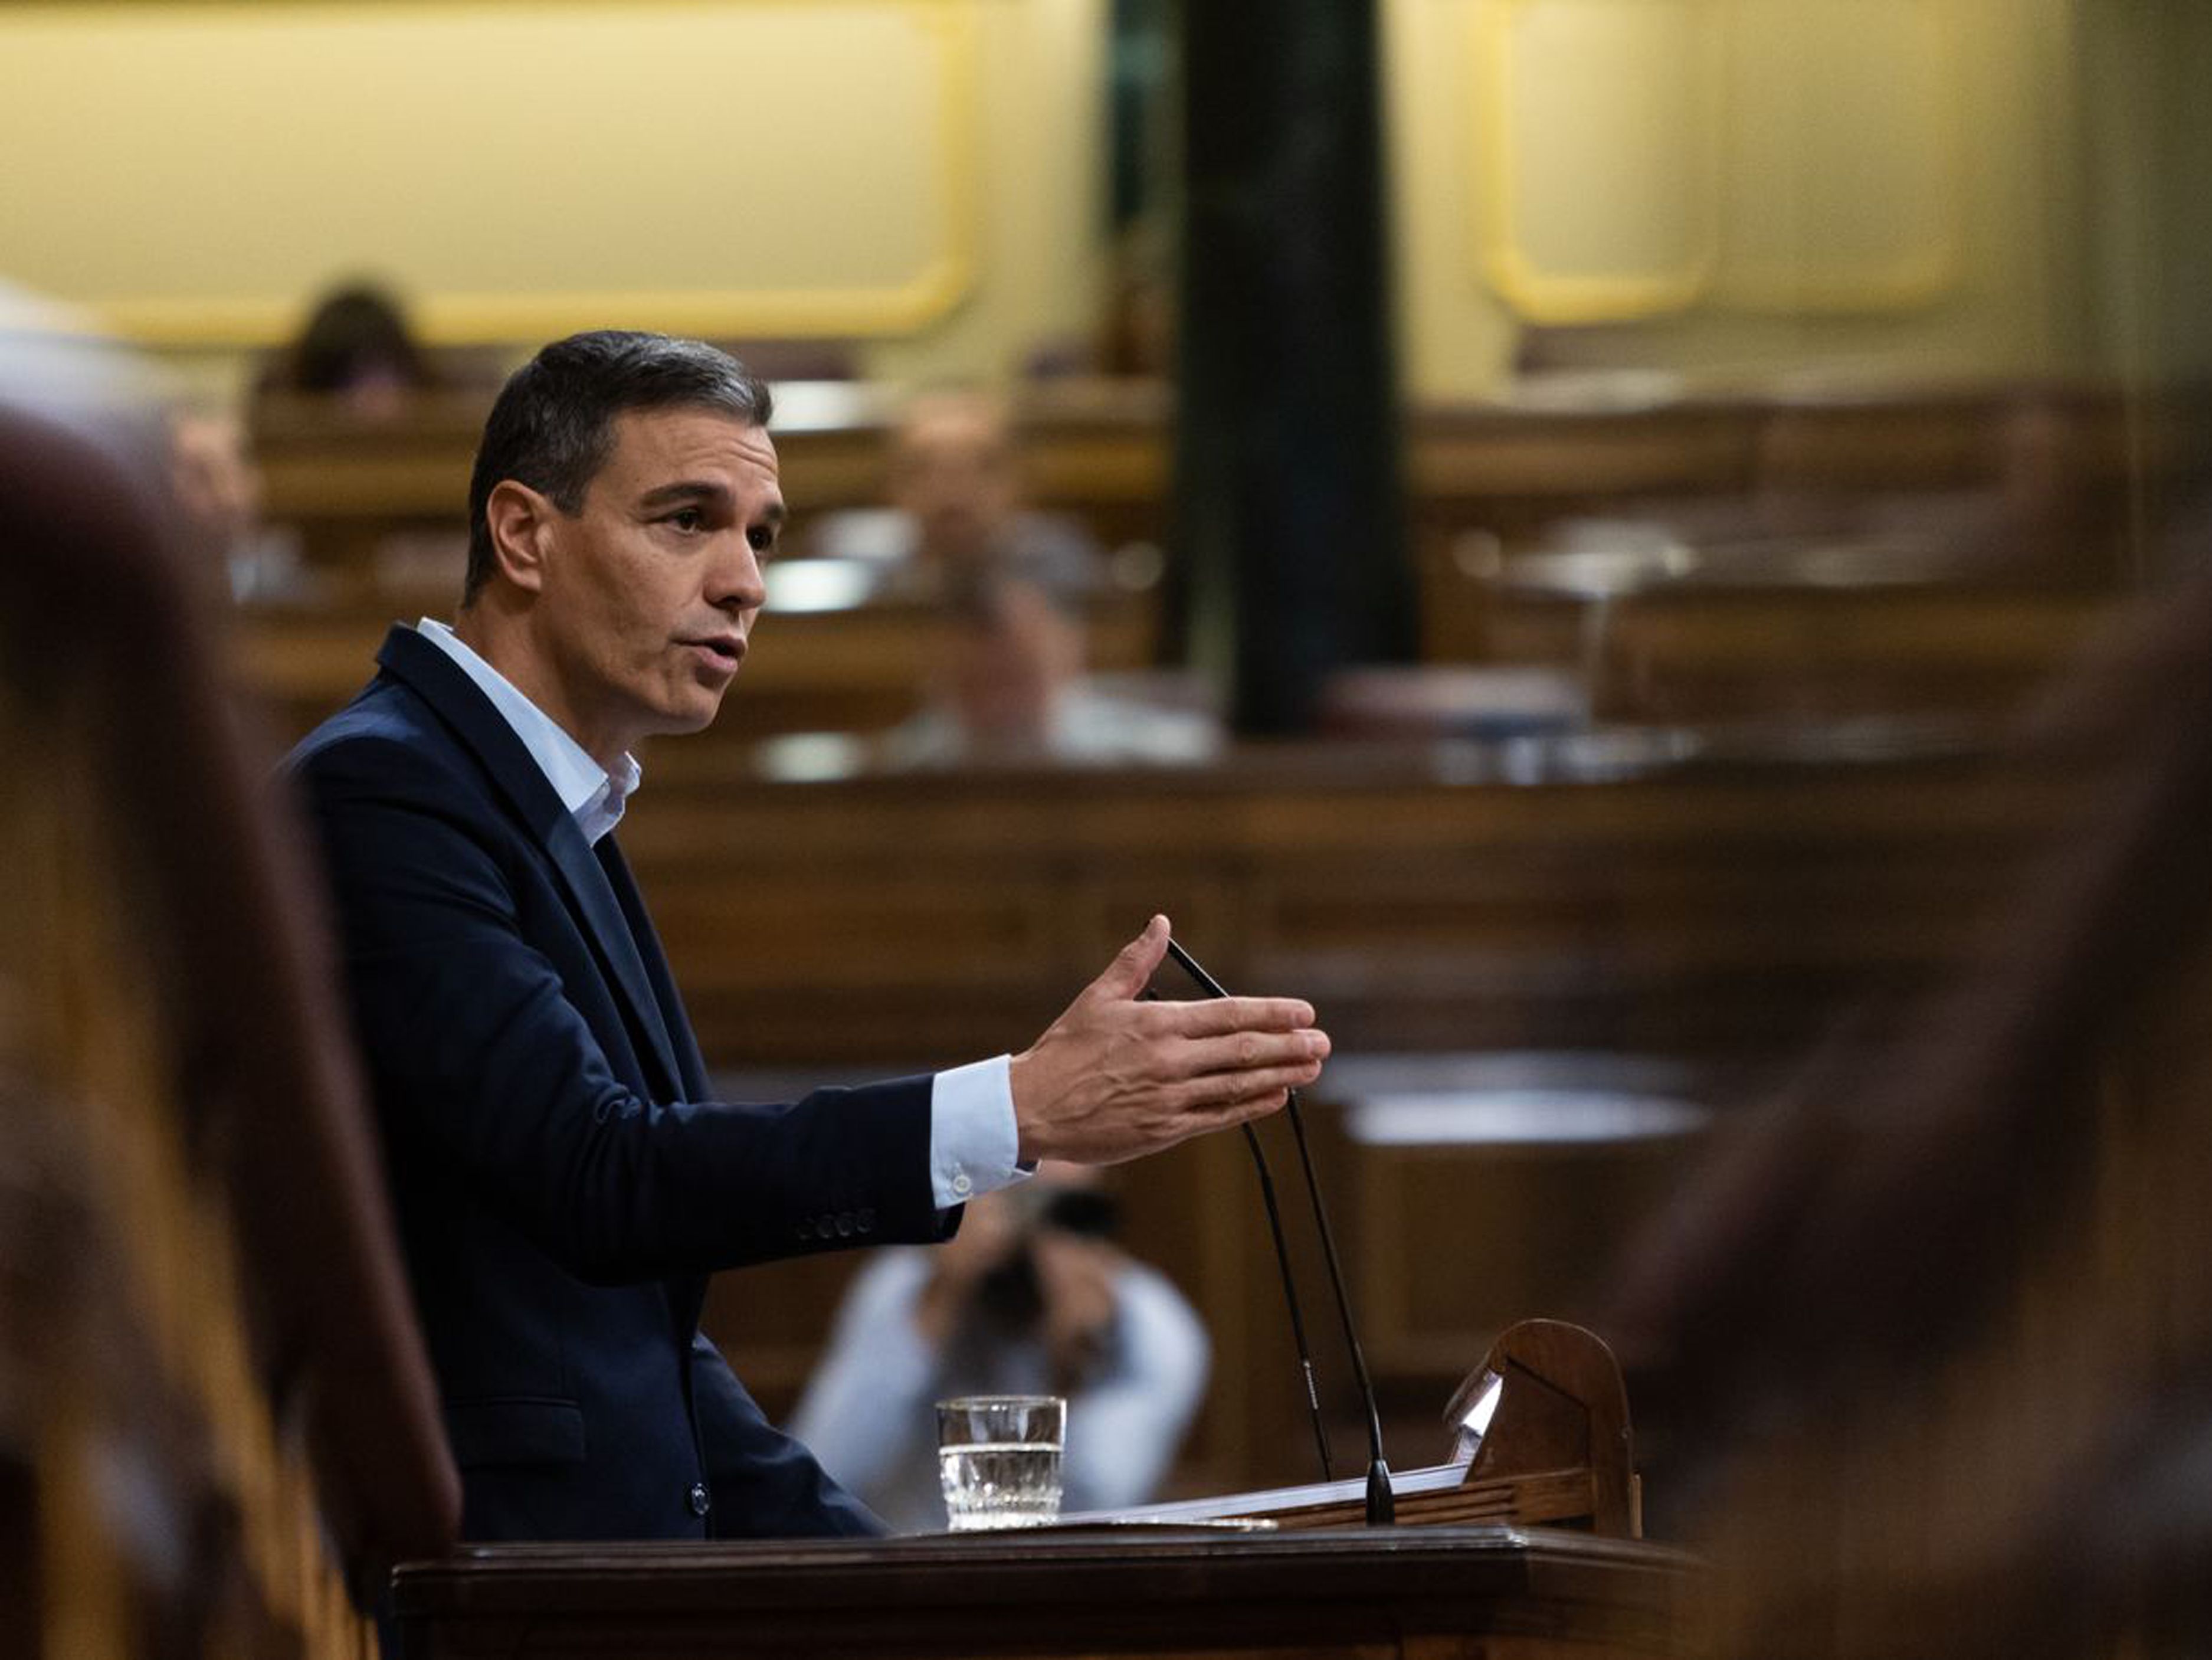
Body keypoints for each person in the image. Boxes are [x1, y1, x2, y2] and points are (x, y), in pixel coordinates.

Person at [282, 329, 1328, 1544]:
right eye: (687, 520)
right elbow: (598, 1177)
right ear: (524, 534)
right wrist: (1010, 1110)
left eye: (760, 535)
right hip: (485, 1579)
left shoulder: (547, 798)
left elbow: (639, 1336)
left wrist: (894, 1591)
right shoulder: (387, 792)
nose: (744, 581)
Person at [791, 1163, 1208, 1527]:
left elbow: (1097, 1496)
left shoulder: (1151, 1325)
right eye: (1025, 1202)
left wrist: (1073, 1367)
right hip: (913, 1575)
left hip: (1063, 1591)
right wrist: (937, 1302)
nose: (1038, 1242)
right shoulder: (908, 1285)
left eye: (1064, 1211)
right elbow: (826, 1470)